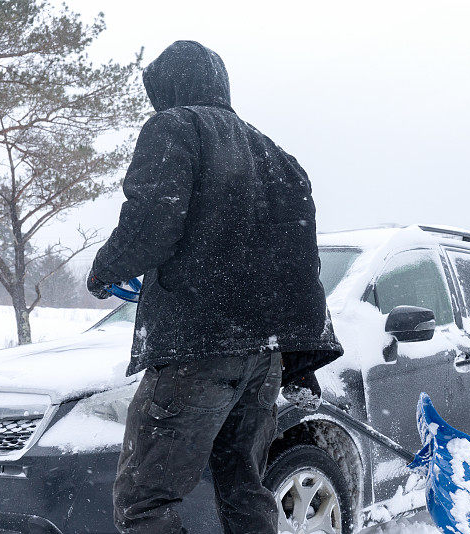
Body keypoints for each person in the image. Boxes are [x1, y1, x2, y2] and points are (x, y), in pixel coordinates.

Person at [87, 40, 343, 534]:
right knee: (243, 483)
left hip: (197, 350)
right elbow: (301, 267)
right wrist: (300, 355)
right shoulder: (279, 157)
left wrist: (105, 268)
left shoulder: (174, 128)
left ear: (168, 89)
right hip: (263, 359)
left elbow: (151, 221)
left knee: (144, 501)